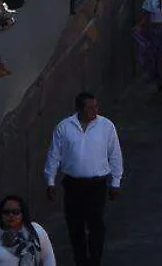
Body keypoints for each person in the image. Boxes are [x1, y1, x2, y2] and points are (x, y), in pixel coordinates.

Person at [44, 92, 124, 266]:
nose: (94, 110)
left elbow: (115, 154)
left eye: (95, 106)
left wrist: (115, 182)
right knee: (75, 224)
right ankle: (80, 260)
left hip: (97, 184)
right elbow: (54, 155)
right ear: (79, 109)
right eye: (90, 107)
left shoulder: (106, 126)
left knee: (96, 224)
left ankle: (95, 261)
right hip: (73, 184)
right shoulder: (64, 128)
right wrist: (50, 181)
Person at [0, 195, 56, 265]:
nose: (11, 216)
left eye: (15, 212)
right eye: (6, 212)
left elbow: (48, 258)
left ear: (23, 213)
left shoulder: (35, 231)